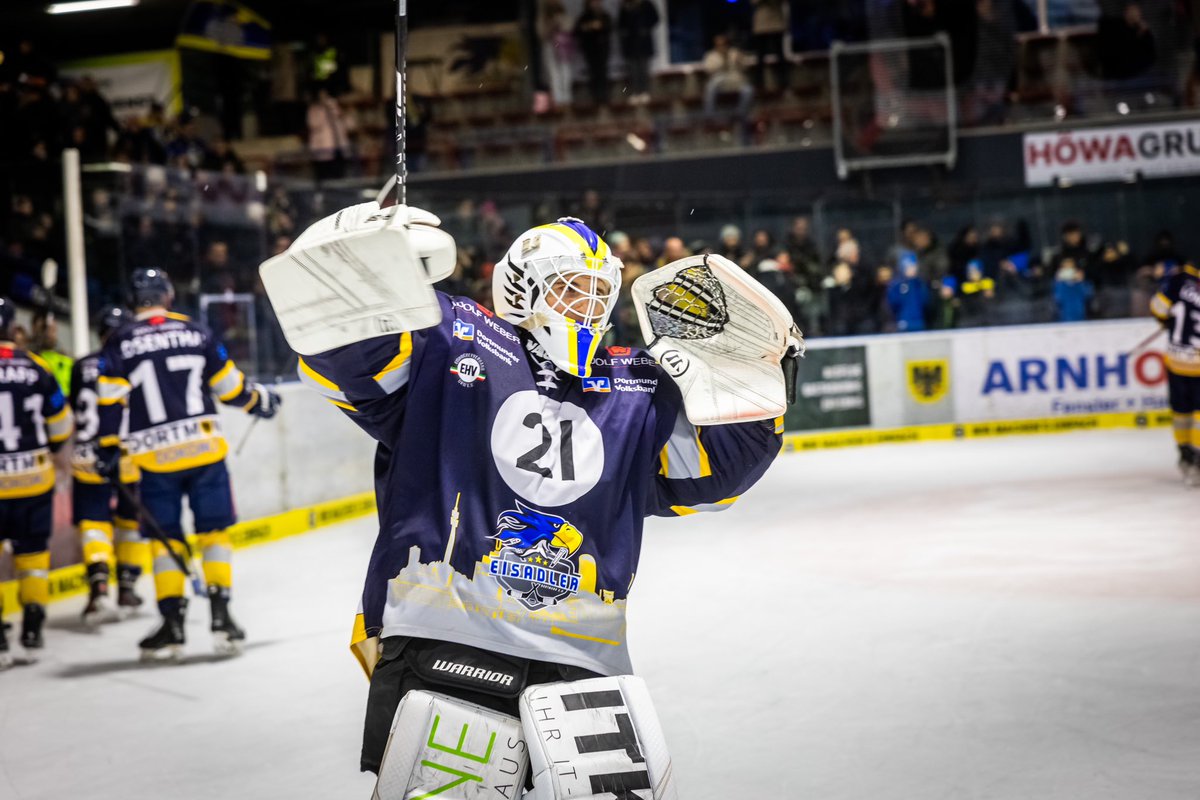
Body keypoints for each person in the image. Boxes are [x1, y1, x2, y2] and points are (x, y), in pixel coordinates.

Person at [278, 215, 788, 792]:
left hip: (583, 658)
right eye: (571, 286)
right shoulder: (453, 335)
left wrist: (758, 378)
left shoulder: (637, 386)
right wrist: (352, 262)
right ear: (522, 284)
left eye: (600, 292)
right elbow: (340, 359)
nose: (588, 306)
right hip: (445, 636)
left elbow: (715, 474)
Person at [94, 268, 282, 660]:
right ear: (167, 294)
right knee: (213, 532)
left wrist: (108, 449)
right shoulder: (197, 331)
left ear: (133, 301)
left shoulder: (120, 341)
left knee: (166, 541)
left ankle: (172, 622)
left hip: (154, 458)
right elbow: (230, 388)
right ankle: (221, 616)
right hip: (204, 452)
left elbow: (110, 402)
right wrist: (258, 402)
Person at [0, 296, 73, 669]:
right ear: (15, 328)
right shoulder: (37, 368)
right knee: (32, 555)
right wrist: (59, 458)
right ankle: (32, 629)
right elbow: (60, 427)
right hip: (33, 479)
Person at [71, 305, 148, 624]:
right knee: (129, 521)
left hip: (88, 456)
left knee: (94, 522)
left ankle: (99, 584)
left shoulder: (80, 366)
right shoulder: (130, 357)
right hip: (126, 454)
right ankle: (127, 588)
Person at [1150, 263, 1200, 485]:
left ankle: (1185, 454)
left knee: (1181, 411)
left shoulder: (1178, 281)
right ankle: (1198, 458)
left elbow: (1157, 308)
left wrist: (1165, 320)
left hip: (1177, 361)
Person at [617, 0, 659, 104]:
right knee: (633, 70)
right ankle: (635, 92)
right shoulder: (626, 5)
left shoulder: (647, 4)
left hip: (644, 42)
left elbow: (655, 18)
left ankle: (645, 91)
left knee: (643, 69)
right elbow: (620, 23)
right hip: (630, 44)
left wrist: (645, 27)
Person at [702, 34, 754, 118]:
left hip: (735, 79)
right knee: (710, 86)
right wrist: (723, 59)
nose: (722, 47)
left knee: (748, 90)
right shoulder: (711, 55)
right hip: (719, 80)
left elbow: (745, 67)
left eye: (724, 44)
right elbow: (709, 70)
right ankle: (709, 115)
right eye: (719, 45)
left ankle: (741, 113)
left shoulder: (735, 53)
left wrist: (740, 61)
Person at [575, 0, 614, 105]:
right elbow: (577, 31)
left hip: (602, 48)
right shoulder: (584, 17)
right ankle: (595, 96)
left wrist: (600, 26)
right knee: (593, 73)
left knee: (603, 72)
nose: (596, 4)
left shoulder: (604, 15)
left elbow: (610, 27)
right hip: (590, 49)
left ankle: (604, 95)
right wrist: (588, 27)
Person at [538, 0, 575, 108]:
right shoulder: (543, 16)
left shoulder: (563, 12)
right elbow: (541, 33)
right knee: (554, 72)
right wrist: (551, 25)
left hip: (563, 45)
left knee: (565, 69)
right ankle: (559, 99)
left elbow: (569, 26)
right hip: (550, 45)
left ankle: (567, 98)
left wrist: (560, 23)